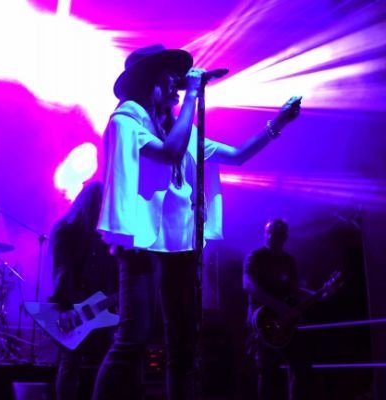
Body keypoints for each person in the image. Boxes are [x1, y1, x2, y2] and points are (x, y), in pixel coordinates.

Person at [93, 44, 302, 400]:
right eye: (169, 79)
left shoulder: (184, 132)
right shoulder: (127, 121)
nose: (176, 86)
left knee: (183, 344)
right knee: (133, 338)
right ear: (149, 83)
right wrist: (192, 92)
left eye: (178, 81)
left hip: (181, 244)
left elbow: (238, 156)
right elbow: (168, 153)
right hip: (143, 245)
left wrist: (277, 124)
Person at [49, 181, 118, 400]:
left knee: (103, 361)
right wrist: (69, 308)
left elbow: (113, 275)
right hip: (71, 309)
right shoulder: (66, 231)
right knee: (70, 363)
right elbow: (63, 273)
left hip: (102, 308)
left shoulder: (106, 236)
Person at [243, 219, 313, 400]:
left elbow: (294, 290)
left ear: (285, 237)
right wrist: (277, 305)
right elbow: (248, 285)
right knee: (267, 371)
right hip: (261, 322)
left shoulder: (288, 261)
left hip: (285, 323)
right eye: (271, 232)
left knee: (301, 365)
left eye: (279, 234)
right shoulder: (256, 256)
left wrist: (315, 294)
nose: (274, 237)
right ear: (266, 234)